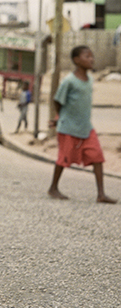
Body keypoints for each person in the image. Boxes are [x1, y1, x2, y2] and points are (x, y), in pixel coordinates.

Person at [47, 45, 117, 204]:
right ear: (76, 60)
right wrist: (60, 117)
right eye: (87, 56)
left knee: (97, 157)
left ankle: (101, 194)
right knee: (63, 159)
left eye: (92, 56)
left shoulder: (90, 79)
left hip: (86, 127)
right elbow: (58, 101)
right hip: (68, 128)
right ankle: (53, 187)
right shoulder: (69, 81)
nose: (91, 59)